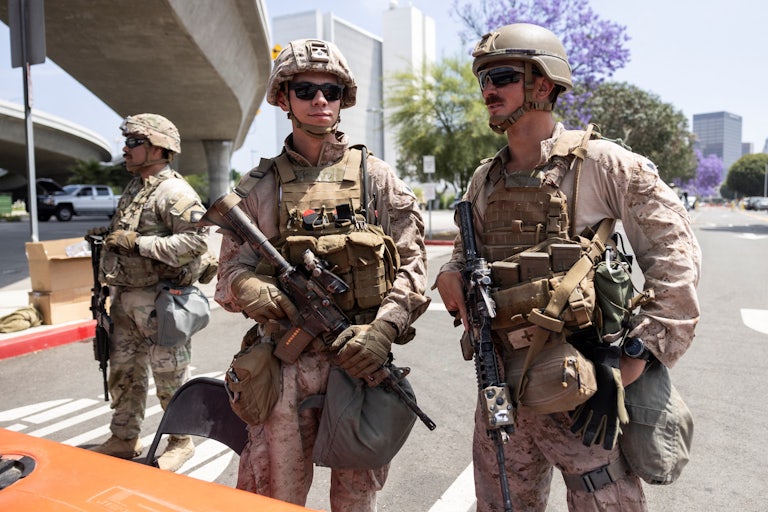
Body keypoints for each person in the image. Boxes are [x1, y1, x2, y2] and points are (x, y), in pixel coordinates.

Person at [435, 23, 701, 511]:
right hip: (501, 386)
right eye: (484, 79)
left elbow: (674, 257)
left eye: (503, 76)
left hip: (583, 386)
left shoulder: (602, 164)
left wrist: (632, 361)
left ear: (544, 83)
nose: (488, 89)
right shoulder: (484, 179)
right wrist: (449, 271)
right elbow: (463, 252)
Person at [214, 38, 430, 511]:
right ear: (284, 98)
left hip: (358, 363)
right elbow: (228, 275)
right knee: (275, 495)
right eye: (306, 89)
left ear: (342, 99)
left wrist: (383, 330)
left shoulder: (376, 178)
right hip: (285, 368)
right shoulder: (259, 187)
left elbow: (414, 267)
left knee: (356, 498)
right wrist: (251, 288)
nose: (319, 100)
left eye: (331, 91)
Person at [89, 113, 213, 472]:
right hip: (126, 299)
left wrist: (138, 244)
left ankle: (181, 441)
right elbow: (131, 230)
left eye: (133, 143)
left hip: (161, 302)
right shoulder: (137, 187)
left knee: (169, 377)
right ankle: (125, 438)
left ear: (157, 148)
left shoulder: (173, 191)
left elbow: (196, 241)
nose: (125, 150)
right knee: (124, 373)